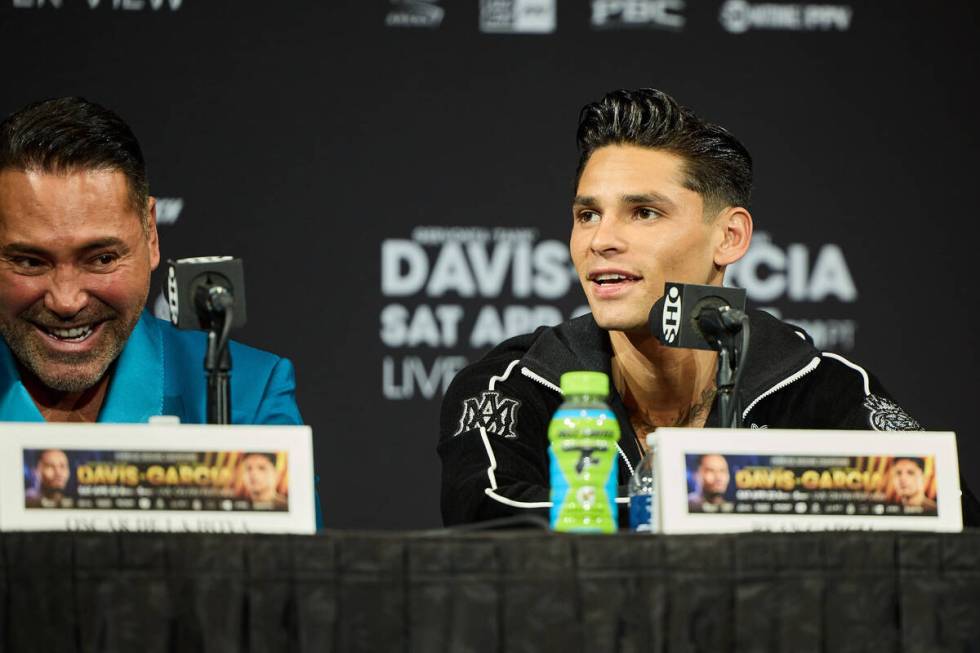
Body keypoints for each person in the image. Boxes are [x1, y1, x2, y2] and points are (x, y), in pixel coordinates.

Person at [438, 88, 980, 526]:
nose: (601, 240)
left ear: (730, 237)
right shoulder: (512, 385)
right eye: (587, 215)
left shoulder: (820, 388)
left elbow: (947, 513)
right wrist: (698, 505)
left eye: (644, 213)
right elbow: (487, 515)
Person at [0, 97, 301, 425]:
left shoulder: (249, 395)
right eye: (31, 263)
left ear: (150, 235)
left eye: (101, 259)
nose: (67, 301)